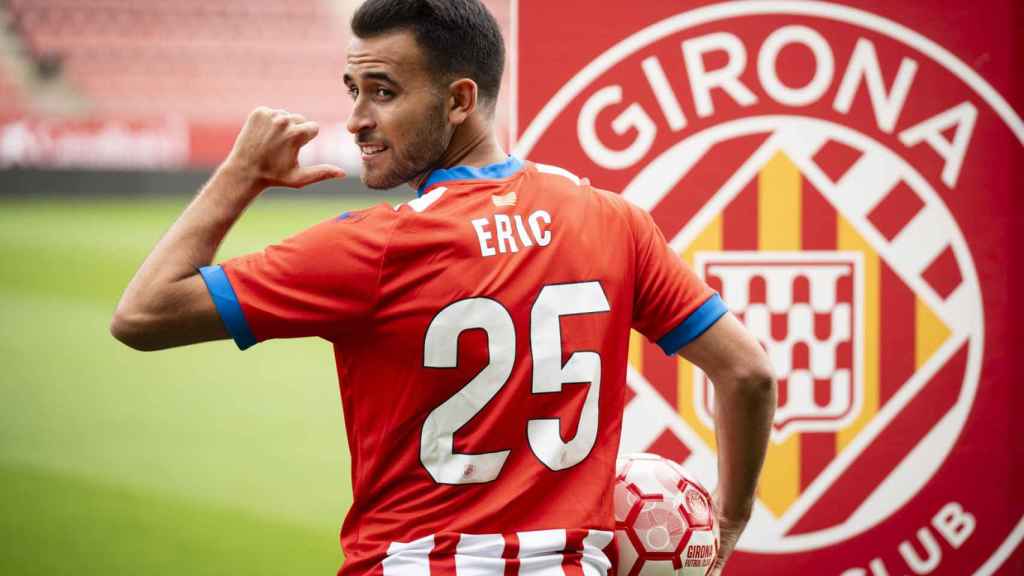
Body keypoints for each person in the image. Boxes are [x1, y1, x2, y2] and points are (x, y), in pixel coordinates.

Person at [110, 0, 775, 574]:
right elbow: (746, 372)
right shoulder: (611, 220)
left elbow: (142, 314)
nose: (356, 119)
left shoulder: (372, 247)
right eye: (352, 90)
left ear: (458, 100)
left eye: (383, 92)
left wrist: (240, 175)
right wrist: (729, 521)